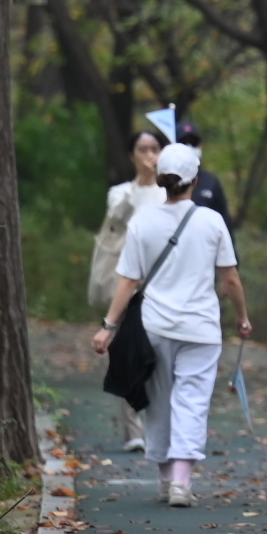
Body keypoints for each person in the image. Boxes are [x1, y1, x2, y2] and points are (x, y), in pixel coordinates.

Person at [93, 143, 254, 510]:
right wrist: (242, 316)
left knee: (160, 401)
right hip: (201, 328)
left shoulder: (143, 221)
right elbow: (229, 280)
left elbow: (127, 281)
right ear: (195, 180)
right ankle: (182, 479)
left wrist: (108, 326)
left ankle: (166, 480)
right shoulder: (212, 221)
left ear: (163, 179)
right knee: (192, 402)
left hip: (155, 327)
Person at [88, 120, 168, 452]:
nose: (149, 154)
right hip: (128, 281)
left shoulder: (170, 193)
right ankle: (133, 430)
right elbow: (116, 221)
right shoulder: (121, 192)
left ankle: (157, 425)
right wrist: (141, 184)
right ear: (132, 155)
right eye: (143, 149)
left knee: (159, 353)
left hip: (161, 281)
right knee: (125, 350)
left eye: (155, 149)